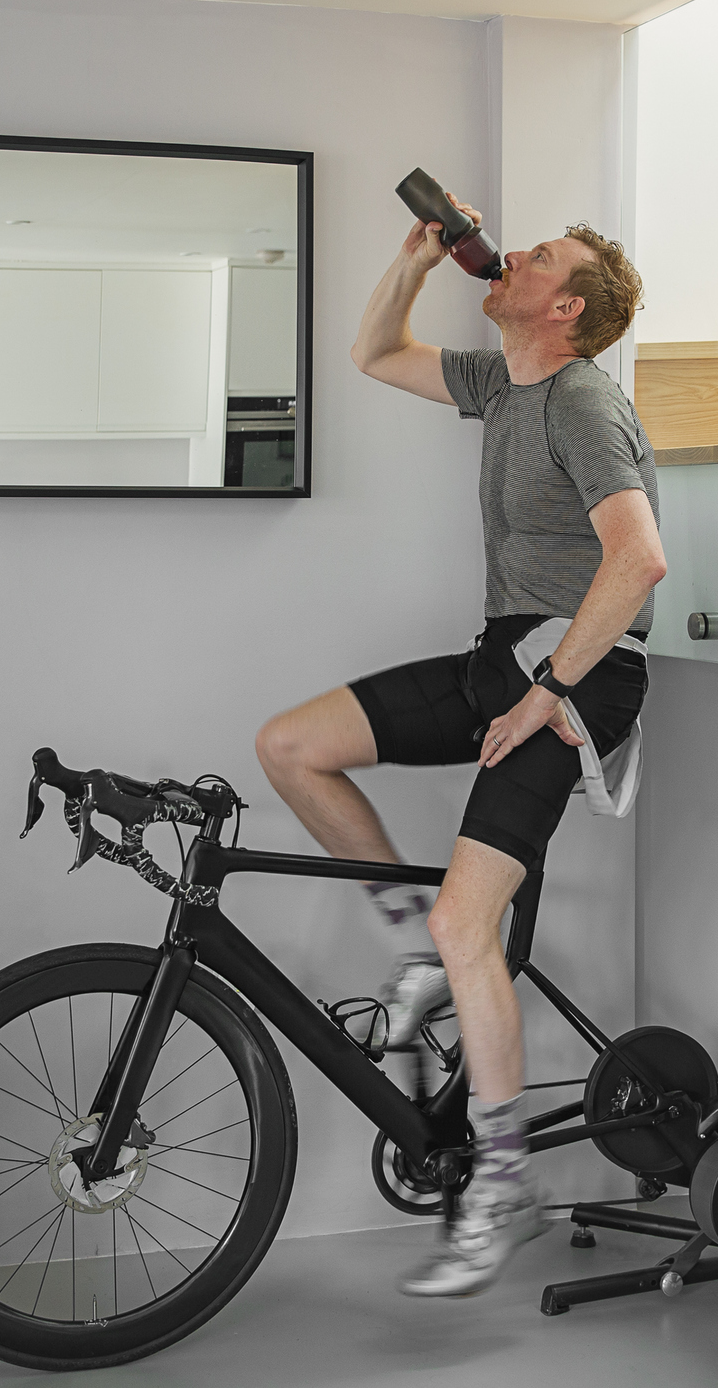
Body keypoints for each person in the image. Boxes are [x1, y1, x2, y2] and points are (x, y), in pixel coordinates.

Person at [254, 194, 663, 1297]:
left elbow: (639, 563)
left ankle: (505, 1178)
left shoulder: (581, 402)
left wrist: (551, 692)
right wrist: (413, 257)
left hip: (579, 677)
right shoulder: (503, 382)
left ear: (563, 305)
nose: (512, 255)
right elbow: (374, 350)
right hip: (503, 655)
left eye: (534, 257)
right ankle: (420, 953)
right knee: (292, 745)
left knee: (467, 914)